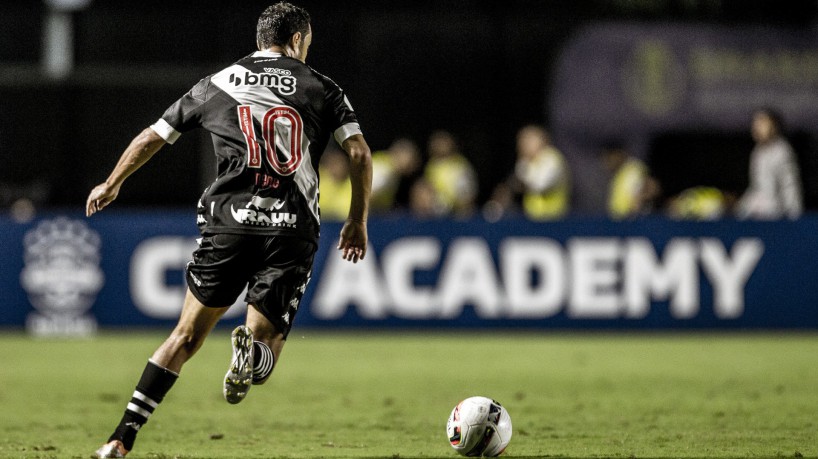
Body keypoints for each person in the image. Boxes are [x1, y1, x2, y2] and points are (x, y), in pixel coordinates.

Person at [85, 3, 372, 457]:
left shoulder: (216, 82)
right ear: (297, 39)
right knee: (266, 346)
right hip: (290, 228)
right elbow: (358, 153)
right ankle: (251, 355)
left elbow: (153, 135)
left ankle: (121, 438)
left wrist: (112, 181)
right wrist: (357, 220)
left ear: (261, 39)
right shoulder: (321, 86)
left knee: (184, 336)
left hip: (229, 224)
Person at [736, 107, 803, 220]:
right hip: (758, 212)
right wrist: (741, 209)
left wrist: (794, 218)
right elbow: (757, 188)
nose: (757, 127)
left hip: (776, 214)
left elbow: (790, 187)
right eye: (756, 123)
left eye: (762, 123)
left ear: (773, 126)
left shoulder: (782, 151)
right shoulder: (757, 152)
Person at [512, 125, 570, 220]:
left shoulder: (552, 159)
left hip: (555, 216)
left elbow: (541, 185)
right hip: (533, 217)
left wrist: (525, 170)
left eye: (528, 141)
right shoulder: (528, 161)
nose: (524, 146)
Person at [423, 130, 478, 217]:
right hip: (437, 210)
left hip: (459, 210)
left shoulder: (460, 163)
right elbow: (428, 187)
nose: (440, 146)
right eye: (437, 143)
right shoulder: (431, 166)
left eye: (443, 143)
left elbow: (469, 189)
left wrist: (463, 206)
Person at [600, 140, 650, 219]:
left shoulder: (633, 171)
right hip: (619, 223)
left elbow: (638, 200)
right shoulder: (619, 173)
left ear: (618, 155)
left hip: (630, 223)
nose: (606, 162)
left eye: (608, 158)